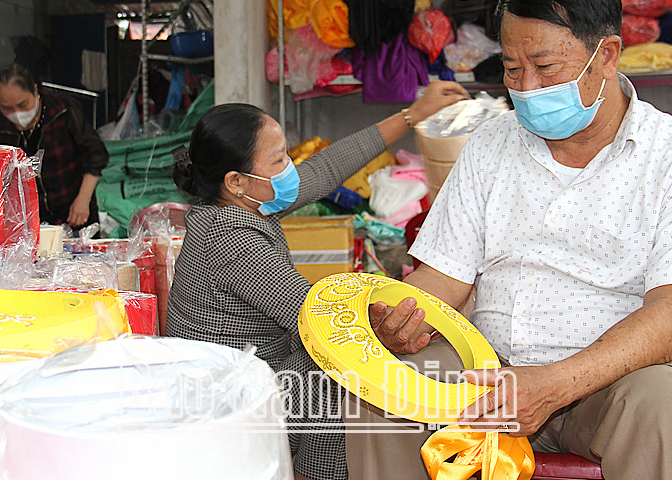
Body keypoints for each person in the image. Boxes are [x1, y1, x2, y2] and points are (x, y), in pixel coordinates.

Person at [351, 0, 672, 480]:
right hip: (484, 370)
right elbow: (443, 280)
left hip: (609, 381)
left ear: (608, 55)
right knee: (382, 395)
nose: (525, 87)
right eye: (511, 68)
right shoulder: (487, 147)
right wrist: (399, 319)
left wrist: (553, 384)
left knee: (663, 405)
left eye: (545, 68)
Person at [166, 81, 469, 480]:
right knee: (337, 368)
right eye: (279, 160)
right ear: (235, 181)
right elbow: (322, 322)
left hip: (250, 381)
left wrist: (413, 115)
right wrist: (388, 320)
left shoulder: (248, 200)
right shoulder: (231, 237)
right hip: (233, 405)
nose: (290, 168)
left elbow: (326, 169)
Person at [0, 63, 108, 230]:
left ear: (35, 91)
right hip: (30, 219)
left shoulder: (63, 111)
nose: (16, 113)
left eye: (22, 105)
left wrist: (83, 200)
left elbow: (96, 154)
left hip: (75, 208)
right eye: (7, 108)